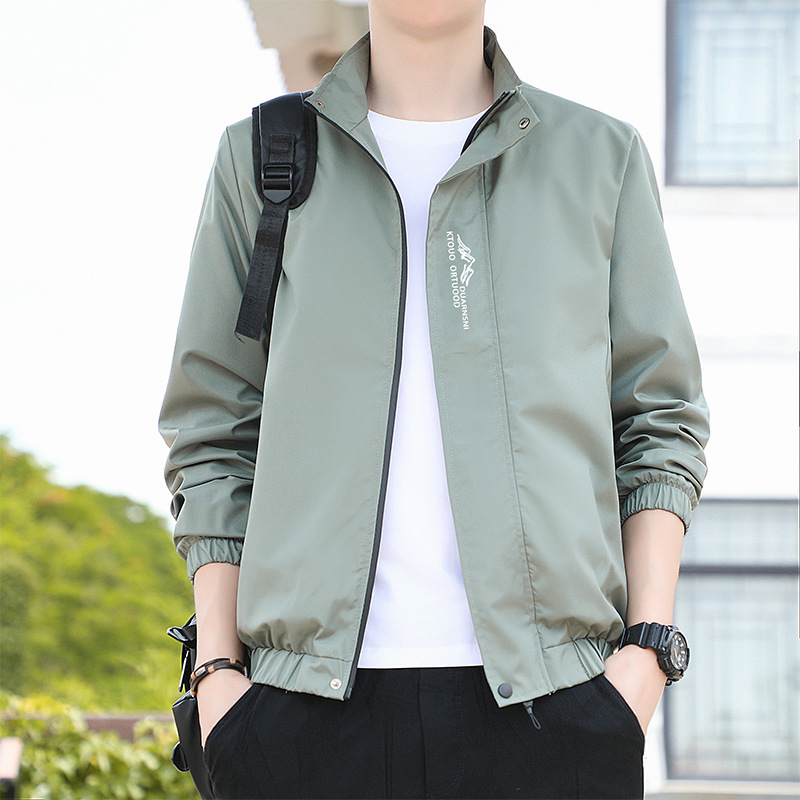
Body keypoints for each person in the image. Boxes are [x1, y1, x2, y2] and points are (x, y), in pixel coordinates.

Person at [157, 1, 710, 798]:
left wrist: (646, 654)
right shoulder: (260, 158)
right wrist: (217, 671)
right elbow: (213, 423)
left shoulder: (600, 158)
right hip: (295, 714)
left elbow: (659, 419)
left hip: (556, 709)